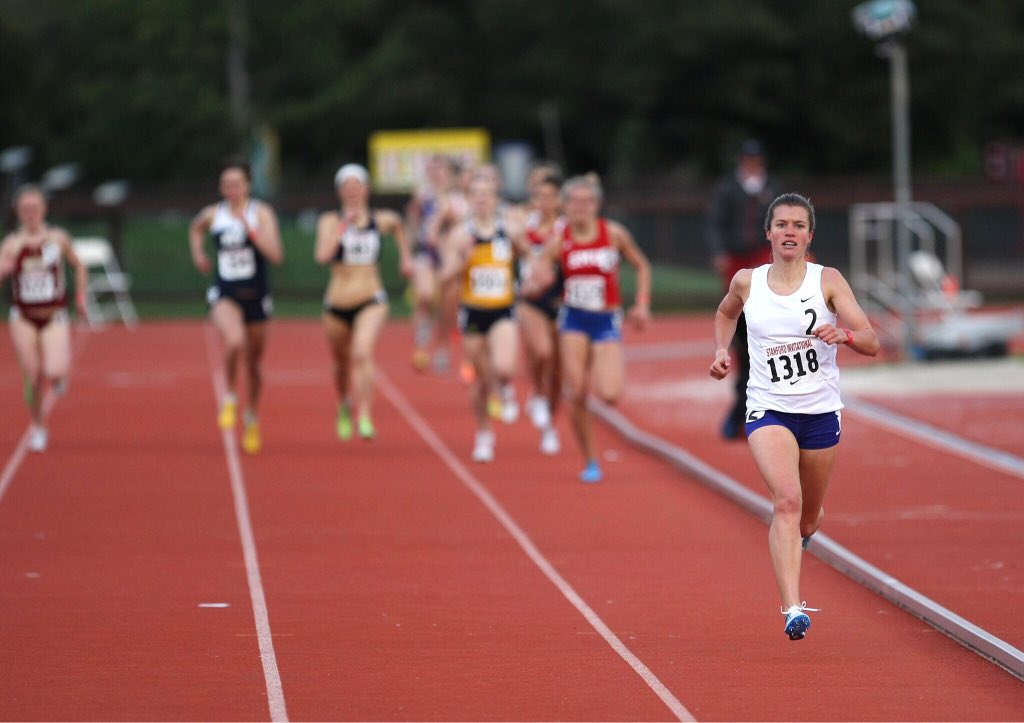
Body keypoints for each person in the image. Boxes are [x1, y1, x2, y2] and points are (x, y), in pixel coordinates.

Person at [709, 193, 878, 641]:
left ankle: (800, 535)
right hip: (768, 408)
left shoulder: (828, 281)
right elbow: (726, 313)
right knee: (786, 500)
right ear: (768, 232)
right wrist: (721, 351)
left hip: (820, 412)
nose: (789, 232)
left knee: (807, 517)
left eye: (798, 226)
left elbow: (871, 340)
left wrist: (841, 333)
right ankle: (792, 609)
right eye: (781, 224)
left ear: (809, 236)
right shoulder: (748, 281)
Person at [527, 174, 651, 483]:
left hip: (606, 320)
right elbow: (537, 273)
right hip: (573, 320)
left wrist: (642, 304)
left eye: (587, 201)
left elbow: (641, 265)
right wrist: (536, 282)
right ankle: (591, 458)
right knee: (578, 391)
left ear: (597, 204)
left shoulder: (613, 234)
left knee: (609, 395)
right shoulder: (560, 240)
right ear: (565, 206)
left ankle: (600, 369)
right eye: (574, 202)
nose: (581, 207)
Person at [189, 160, 283, 454]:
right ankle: (230, 395)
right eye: (226, 184)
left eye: (237, 183)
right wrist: (199, 255)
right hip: (225, 293)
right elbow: (195, 229)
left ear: (248, 186)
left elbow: (276, 255)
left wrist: (251, 230)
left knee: (254, 364)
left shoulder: (261, 213)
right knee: (234, 341)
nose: (232, 189)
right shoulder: (213, 214)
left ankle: (252, 416)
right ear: (221, 188)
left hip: (257, 295)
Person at [314, 163, 412, 440]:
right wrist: (345, 225)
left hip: (371, 298)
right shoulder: (330, 221)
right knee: (341, 363)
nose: (353, 191)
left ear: (367, 189)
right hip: (336, 302)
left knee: (362, 353)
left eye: (358, 185)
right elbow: (322, 257)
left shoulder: (380, 220)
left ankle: (365, 415)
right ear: (339, 192)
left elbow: (398, 225)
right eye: (347, 186)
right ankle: (344, 402)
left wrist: (406, 257)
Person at [440, 173, 530, 463]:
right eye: (476, 193)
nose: (482, 198)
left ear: (496, 199)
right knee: (479, 379)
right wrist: (462, 261)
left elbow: (529, 257)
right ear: (469, 199)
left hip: (503, 308)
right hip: (473, 311)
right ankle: (484, 434)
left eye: (487, 193)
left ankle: (504, 387)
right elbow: (444, 278)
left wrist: (528, 280)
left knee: (504, 367)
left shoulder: (511, 231)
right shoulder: (459, 235)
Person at [0, 185, 88, 452]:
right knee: (35, 374)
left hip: (53, 314)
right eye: (25, 209)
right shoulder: (12, 244)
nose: (30, 214)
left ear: (44, 210)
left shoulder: (57, 239)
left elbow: (79, 265)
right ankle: (38, 426)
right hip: (23, 316)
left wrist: (80, 298)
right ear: (18, 212)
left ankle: (60, 374)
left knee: (53, 370)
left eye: (34, 208)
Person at [706, 139, 780, 439]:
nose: (752, 165)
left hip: (764, 260)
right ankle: (742, 411)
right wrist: (719, 252)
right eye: (748, 159)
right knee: (745, 345)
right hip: (738, 263)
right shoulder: (727, 189)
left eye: (756, 159)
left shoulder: (772, 188)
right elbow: (714, 223)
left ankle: (760, 412)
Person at [516, 167, 565, 455]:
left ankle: (550, 425)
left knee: (558, 371)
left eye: (550, 196)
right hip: (530, 299)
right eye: (539, 196)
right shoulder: (524, 224)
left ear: (559, 199)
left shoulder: (566, 227)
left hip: (560, 299)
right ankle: (535, 390)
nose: (544, 201)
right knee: (542, 352)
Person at [406, 154, 465, 373]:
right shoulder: (424, 195)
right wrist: (412, 240)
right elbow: (413, 216)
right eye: (435, 170)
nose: (438, 174)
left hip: (449, 258)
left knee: (448, 307)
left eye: (443, 170)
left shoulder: (459, 200)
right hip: (427, 254)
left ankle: (442, 346)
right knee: (425, 294)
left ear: (451, 175)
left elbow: (457, 224)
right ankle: (424, 322)